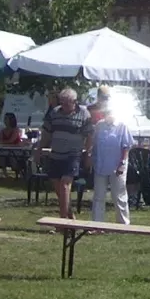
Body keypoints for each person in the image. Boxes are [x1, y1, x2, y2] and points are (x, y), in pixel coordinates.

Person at [41, 87, 91, 220]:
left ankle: (62, 222)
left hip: (73, 154)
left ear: (74, 101)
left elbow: (90, 135)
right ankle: (70, 214)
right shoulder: (55, 113)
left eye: (66, 102)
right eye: (61, 102)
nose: (63, 105)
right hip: (56, 153)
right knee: (58, 186)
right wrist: (39, 149)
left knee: (65, 184)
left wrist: (87, 153)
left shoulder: (84, 114)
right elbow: (46, 133)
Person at [89, 97, 135, 225]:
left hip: (117, 166)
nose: (108, 115)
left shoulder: (122, 125)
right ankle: (97, 224)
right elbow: (95, 145)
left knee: (119, 195)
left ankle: (123, 223)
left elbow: (126, 146)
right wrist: (92, 159)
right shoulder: (99, 126)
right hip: (100, 165)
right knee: (98, 196)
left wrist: (122, 164)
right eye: (106, 112)